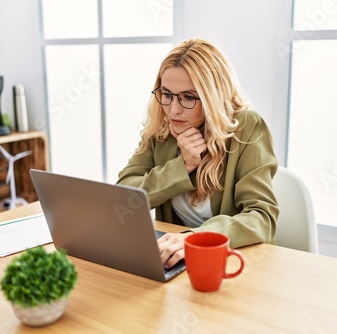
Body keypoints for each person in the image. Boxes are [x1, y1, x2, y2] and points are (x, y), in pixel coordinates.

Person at [117, 38, 279, 269]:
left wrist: (195, 238)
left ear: (214, 96)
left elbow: (261, 217)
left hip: (236, 262)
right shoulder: (161, 129)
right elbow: (124, 197)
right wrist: (181, 167)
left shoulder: (247, 126)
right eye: (166, 94)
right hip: (178, 263)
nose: (173, 109)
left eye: (188, 97)